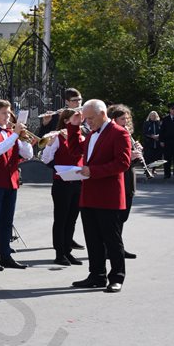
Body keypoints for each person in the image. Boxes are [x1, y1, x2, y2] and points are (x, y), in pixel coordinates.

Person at [72, 99, 132, 293]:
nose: (87, 122)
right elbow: (76, 151)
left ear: (102, 114)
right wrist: (73, 127)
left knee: (112, 240)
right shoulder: (91, 134)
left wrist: (93, 171)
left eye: (90, 118)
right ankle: (97, 275)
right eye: (86, 119)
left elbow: (122, 163)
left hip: (108, 196)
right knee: (92, 239)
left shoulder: (119, 133)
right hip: (89, 194)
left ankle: (117, 277)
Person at [0, 99, 33, 271]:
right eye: (4, 113)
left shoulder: (11, 133)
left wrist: (24, 139)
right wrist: (15, 135)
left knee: (7, 221)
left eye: (9, 113)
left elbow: (28, 154)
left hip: (12, 181)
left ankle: (6, 256)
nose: (7, 117)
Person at [39, 108, 85, 266]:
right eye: (75, 118)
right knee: (61, 219)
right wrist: (50, 144)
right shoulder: (57, 137)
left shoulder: (81, 136)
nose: (80, 121)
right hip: (62, 183)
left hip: (78, 182)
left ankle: (68, 251)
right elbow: (46, 159)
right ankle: (59, 254)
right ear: (66, 121)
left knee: (72, 219)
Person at [108, 105, 139, 259]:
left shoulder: (127, 135)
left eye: (127, 118)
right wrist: (130, 156)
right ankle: (112, 249)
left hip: (129, 181)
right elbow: (113, 160)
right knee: (116, 219)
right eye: (122, 119)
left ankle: (118, 247)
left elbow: (131, 163)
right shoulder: (112, 136)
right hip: (119, 181)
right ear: (114, 120)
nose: (126, 122)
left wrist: (137, 154)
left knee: (123, 218)